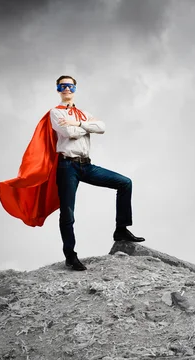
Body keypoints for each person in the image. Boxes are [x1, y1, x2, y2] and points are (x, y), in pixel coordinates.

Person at [51, 75, 144, 271]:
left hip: (86, 165)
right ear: (58, 89)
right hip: (67, 166)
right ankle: (71, 256)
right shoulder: (55, 113)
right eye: (63, 86)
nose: (67, 89)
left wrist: (79, 125)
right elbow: (67, 133)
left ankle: (121, 229)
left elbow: (101, 127)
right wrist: (84, 127)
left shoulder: (83, 113)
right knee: (67, 213)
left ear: (75, 89)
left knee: (125, 182)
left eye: (70, 86)